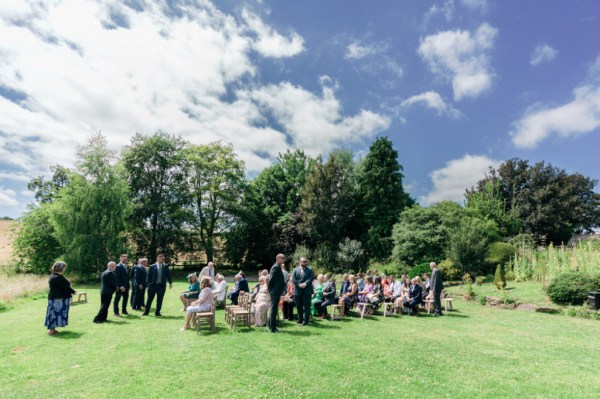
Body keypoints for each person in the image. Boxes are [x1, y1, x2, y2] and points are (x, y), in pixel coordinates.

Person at [45, 261, 76, 335]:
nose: (65, 270)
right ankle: (51, 330)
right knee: (54, 314)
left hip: (56, 298)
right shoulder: (57, 277)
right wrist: (73, 291)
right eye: (64, 268)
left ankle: (52, 329)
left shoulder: (54, 275)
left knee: (54, 314)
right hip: (57, 299)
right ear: (61, 268)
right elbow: (65, 287)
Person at [292, 257, 315, 326]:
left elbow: (311, 278)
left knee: (307, 307)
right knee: (299, 306)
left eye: (306, 261)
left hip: (307, 291)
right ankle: (300, 319)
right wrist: (299, 284)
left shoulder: (310, 270)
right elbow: (293, 279)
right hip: (298, 291)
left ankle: (306, 321)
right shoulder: (295, 270)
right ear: (300, 262)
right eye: (303, 261)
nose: (305, 263)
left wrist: (305, 283)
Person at [268, 253, 285, 333]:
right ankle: (273, 328)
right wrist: (270, 290)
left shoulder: (278, 267)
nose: (283, 259)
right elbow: (271, 280)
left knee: (273, 309)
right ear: (278, 258)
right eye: (282, 258)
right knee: (274, 309)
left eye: (284, 258)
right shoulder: (276, 267)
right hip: (274, 291)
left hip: (275, 291)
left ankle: (270, 325)